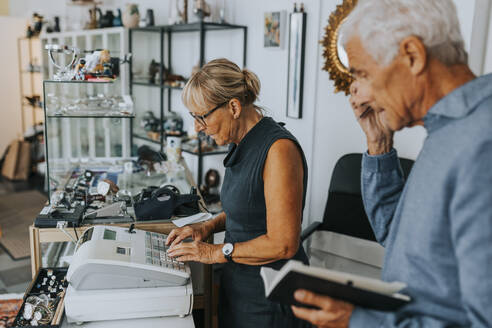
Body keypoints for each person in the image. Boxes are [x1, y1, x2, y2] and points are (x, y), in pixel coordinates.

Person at [291, 0, 492, 327]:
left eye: (364, 74)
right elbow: (397, 233)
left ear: (412, 55)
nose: (360, 95)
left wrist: (356, 321)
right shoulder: (445, 130)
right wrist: (379, 143)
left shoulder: (481, 143)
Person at [166, 58, 311, 328]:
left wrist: (212, 253)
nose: (197, 127)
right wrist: (207, 227)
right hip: (238, 284)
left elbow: (284, 244)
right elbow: (246, 209)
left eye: (202, 116)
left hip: (270, 296)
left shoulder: (278, 150)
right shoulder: (239, 142)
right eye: (193, 117)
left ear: (233, 106)